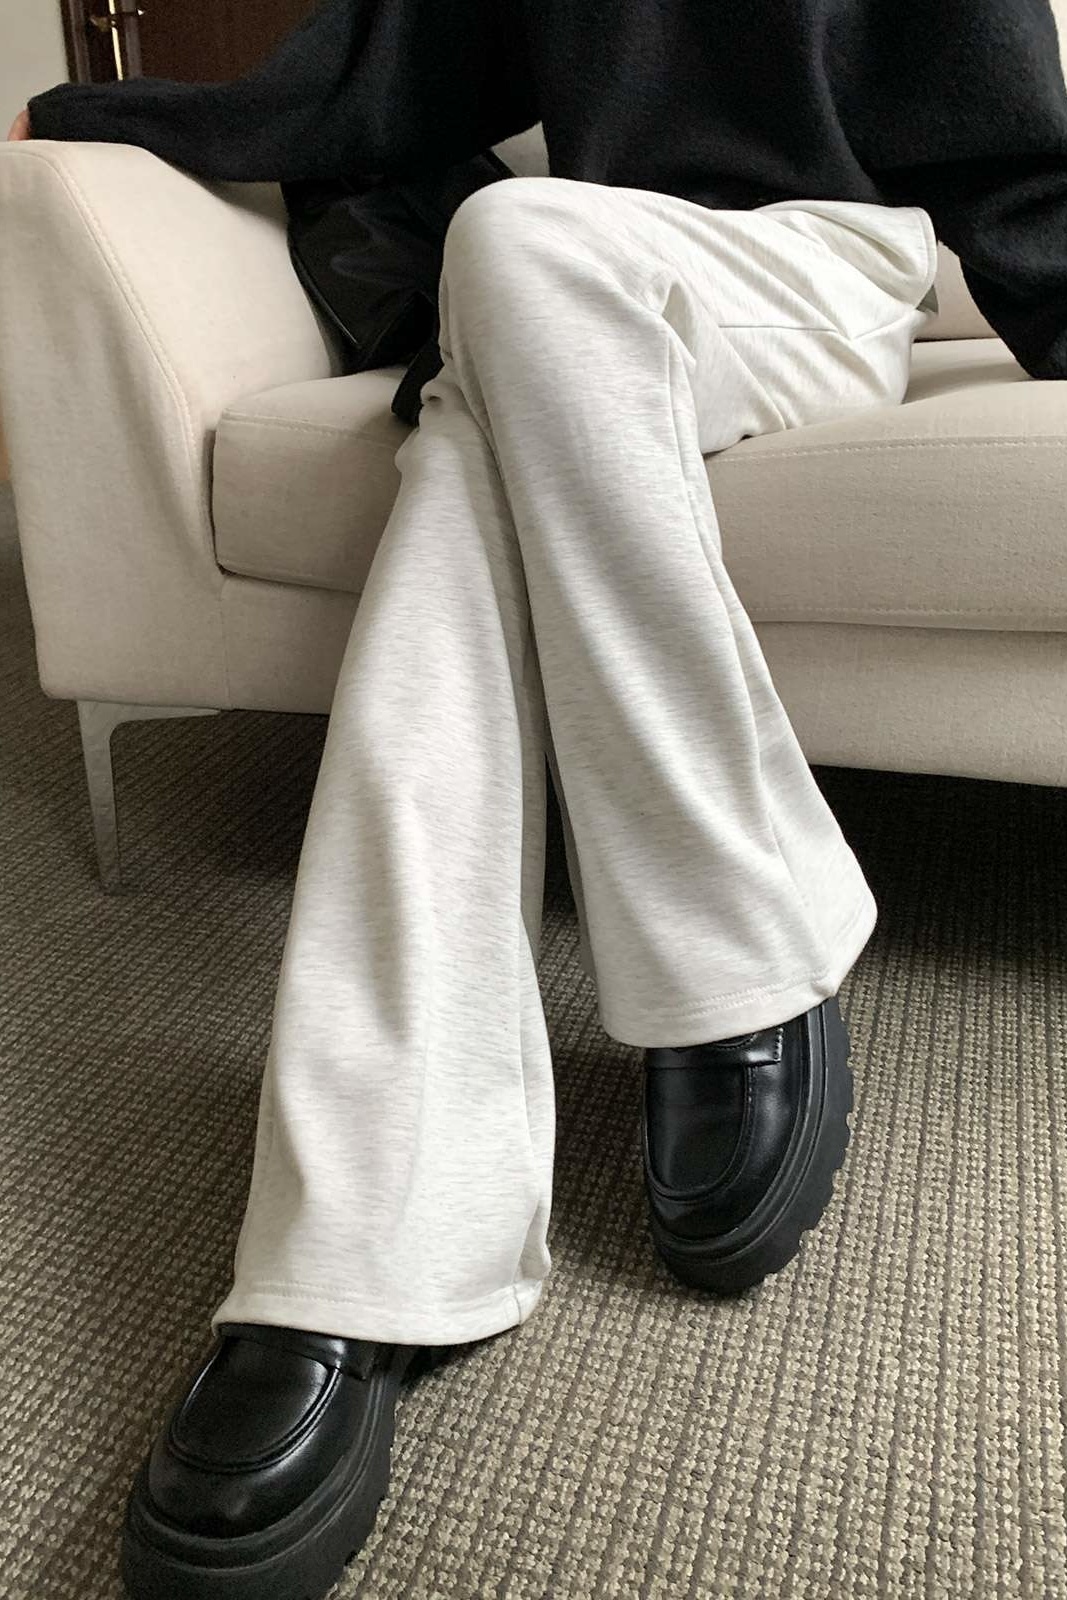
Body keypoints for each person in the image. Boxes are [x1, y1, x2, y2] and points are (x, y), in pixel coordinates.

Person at [10, 1, 1067, 1595]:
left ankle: (361, 1229)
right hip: (565, 284)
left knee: (514, 248)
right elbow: (371, 79)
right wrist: (92, 114)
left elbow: (1010, 148)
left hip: (821, 271)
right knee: (479, 406)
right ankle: (387, 1223)